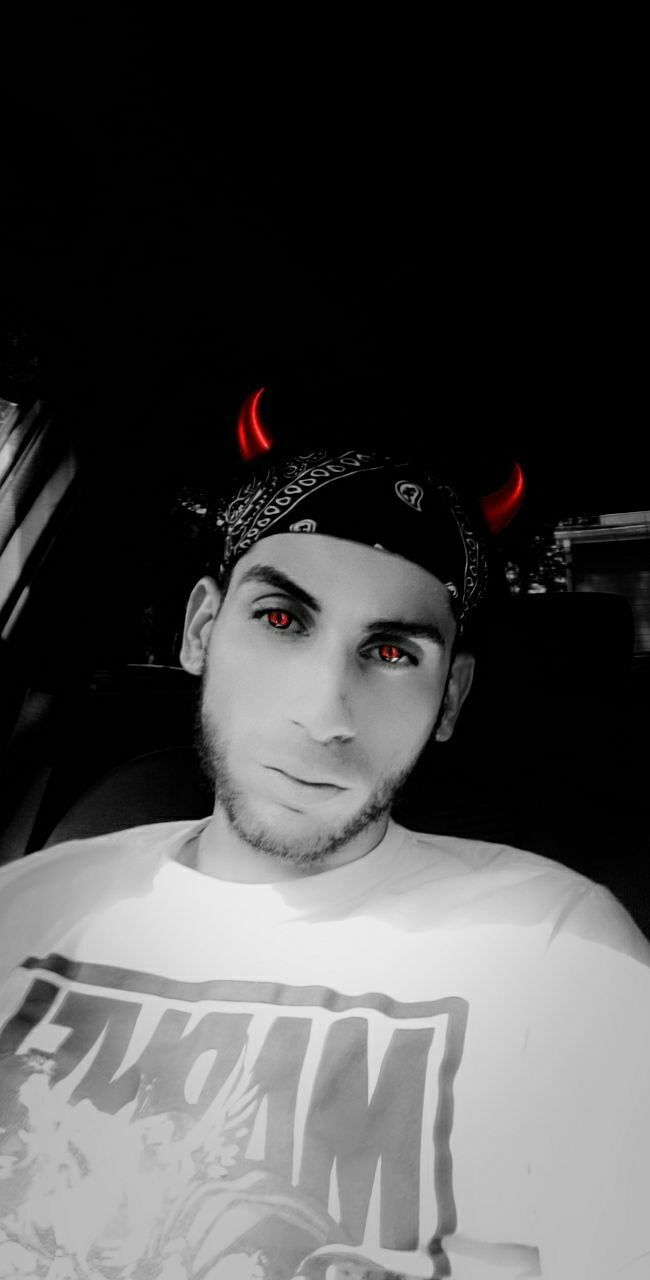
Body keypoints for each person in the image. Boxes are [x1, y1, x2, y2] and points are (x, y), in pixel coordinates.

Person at [0, 412, 648, 1280]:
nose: (323, 714)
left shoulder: (561, 953)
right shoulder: (30, 902)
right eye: (280, 619)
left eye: (392, 652)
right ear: (201, 628)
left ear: (451, 699)